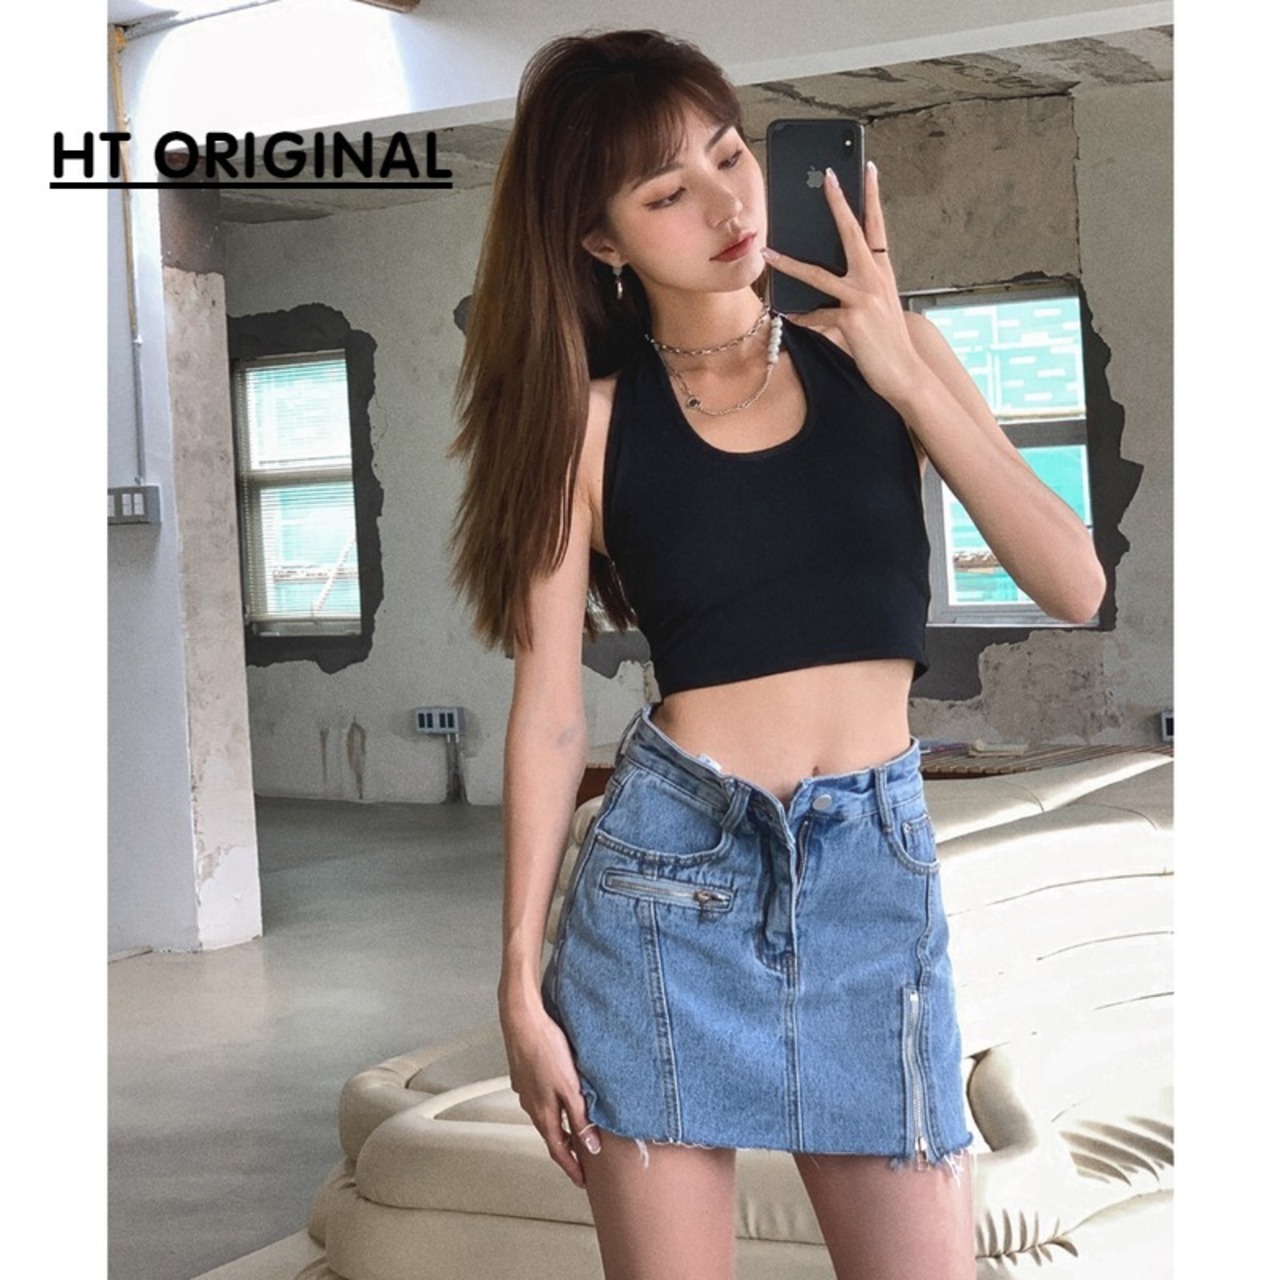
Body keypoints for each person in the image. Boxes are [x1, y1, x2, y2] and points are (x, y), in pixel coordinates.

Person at [450, 28, 1105, 1280]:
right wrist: (517, 985)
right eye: (666, 192)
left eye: (729, 154)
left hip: (872, 883)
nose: (725, 204)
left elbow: (1071, 582)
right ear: (600, 241)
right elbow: (546, 713)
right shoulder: (587, 426)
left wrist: (904, 375)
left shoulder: (891, 355)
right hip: (664, 890)